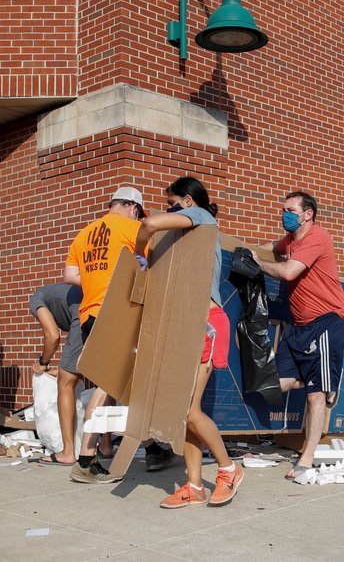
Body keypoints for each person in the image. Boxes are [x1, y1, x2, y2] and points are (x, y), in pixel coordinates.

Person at [134, 176, 244, 508]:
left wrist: (139, 250)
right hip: (186, 325)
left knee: (188, 410)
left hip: (206, 324)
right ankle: (194, 486)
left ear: (185, 201)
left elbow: (149, 223)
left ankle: (229, 470)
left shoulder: (202, 217)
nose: (168, 207)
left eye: (171, 201)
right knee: (183, 414)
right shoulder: (185, 243)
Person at [254, 191, 344, 480]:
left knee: (314, 398)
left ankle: (306, 458)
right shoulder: (292, 240)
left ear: (308, 214)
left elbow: (288, 272)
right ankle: (324, 379)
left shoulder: (318, 237)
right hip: (298, 327)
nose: (285, 214)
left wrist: (256, 263)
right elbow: (274, 245)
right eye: (283, 209)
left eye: (291, 209)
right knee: (272, 384)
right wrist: (247, 250)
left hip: (325, 322)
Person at [64, 186, 146, 483]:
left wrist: (99, 276)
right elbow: (157, 266)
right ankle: (85, 460)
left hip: (88, 314)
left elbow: (71, 276)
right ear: (133, 207)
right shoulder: (132, 227)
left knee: (113, 384)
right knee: (107, 385)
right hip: (115, 313)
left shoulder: (84, 233)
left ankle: (148, 445)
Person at [28, 283, 85, 464]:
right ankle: (105, 446)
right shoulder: (60, 295)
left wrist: (42, 363)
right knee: (101, 382)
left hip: (83, 315)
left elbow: (52, 336)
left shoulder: (36, 299)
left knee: (65, 385)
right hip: (99, 310)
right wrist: (62, 368)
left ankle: (67, 452)